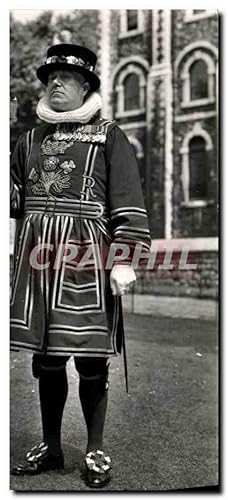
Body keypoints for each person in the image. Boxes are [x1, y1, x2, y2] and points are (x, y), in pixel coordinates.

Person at [10, 43, 151, 488]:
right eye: (49, 77)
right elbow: (12, 201)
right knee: (48, 362)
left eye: (65, 78)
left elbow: (127, 200)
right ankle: (52, 448)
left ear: (86, 86)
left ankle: (94, 450)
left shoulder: (110, 135)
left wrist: (124, 260)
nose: (54, 83)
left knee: (90, 361)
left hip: (85, 261)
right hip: (36, 266)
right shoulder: (28, 140)